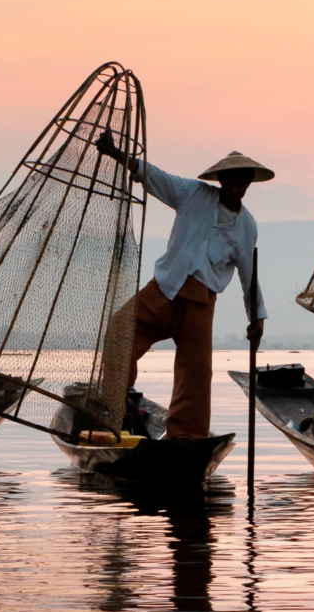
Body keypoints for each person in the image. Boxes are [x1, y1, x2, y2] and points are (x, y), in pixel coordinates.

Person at [95, 136, 270, 437]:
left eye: (243, 182)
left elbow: (248, 276)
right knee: (119, 330)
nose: (238, 187)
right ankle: (113, 408)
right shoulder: (193, 193)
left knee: (196, 374)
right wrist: (116, 154)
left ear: (248, 185)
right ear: (221, 180)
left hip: (200, 303)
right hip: (164, 289)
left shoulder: (247, 226)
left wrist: (256, 318)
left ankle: (186, 436)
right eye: (233, 180)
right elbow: (154, 176)